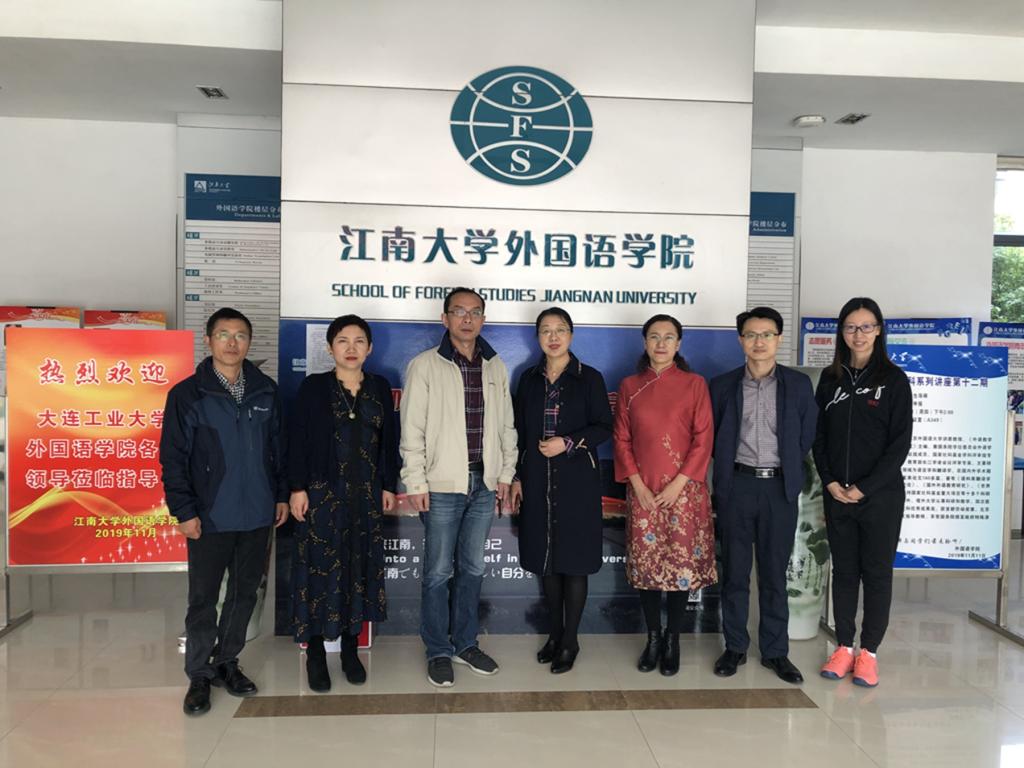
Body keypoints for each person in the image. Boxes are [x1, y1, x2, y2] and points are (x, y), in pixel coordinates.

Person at [160, 307, 289, 716]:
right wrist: (184, 510)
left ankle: (227, 661)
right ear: (208, 340)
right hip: (209, 515)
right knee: (203, 598)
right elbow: (173, 459)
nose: (232, 343)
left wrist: (280, 496)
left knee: (243, 594)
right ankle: (199, 673)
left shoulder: (266, 391)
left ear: (249, 342)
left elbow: (279, 452)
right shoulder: (187, 394)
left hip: (257, 514)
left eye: (240, 336)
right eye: (223, 335)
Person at [400, 287, 518, 687]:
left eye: (475, 312)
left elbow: (506, 426)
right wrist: (416, 480)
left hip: (484, 483)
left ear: (483, 318)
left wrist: (505, 475)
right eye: (459, 311)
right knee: (437, 571)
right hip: (441, 485)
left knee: (472, 568)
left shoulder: (495, 365)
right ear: (444, 318)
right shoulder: (424, 365)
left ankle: (465, 643)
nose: (467, 319)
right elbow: (412, 429)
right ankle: (438, 649)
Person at [288, 315, 399, 691]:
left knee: (357, 570)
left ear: (370, 348)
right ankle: (316, 654)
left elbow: (389, 441)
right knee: (318, 572)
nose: (351, 348)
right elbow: (297, 439)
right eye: (342, 341)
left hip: (365, 496)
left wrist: (387, 484)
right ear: (330, 347)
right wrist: (297, 488)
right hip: (322, 495)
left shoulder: (379, 387)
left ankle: (350, 650)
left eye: (359, 341)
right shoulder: (314, 387)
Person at [709, 307, 817, 684]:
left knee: (774, 573)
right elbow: (713, 437)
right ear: (741, 340)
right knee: (735, 572)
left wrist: (785, 468)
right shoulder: (722, 386)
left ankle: (775, 651)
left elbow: (806, 434)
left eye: (767, 334)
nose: (759, 342)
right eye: (751, 335)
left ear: (778, 339)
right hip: (737, 485)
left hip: (778, 488)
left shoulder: (798, 385)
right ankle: (735, 646)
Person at [813, 297, 912, 688]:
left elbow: (899, 445)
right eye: (851, 327)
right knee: (844, 571)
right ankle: (843, 647)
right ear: (842, 332)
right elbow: (819, 437)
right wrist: (830, 481)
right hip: (837, 494)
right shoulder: (830, 379)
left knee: (876, 573)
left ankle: (868, 652)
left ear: (878, 330)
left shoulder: (894, 380)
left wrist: (864, 488)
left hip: (880, 497)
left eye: (866, 326)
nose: (858, 334)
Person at [613, 314, 717, 676]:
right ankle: (653, 638)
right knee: (647, 567)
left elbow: (704, 438)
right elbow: (621, 438)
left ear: (679, 344)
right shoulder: (630, 385)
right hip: (642, 491)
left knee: (679, 567)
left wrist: (679, 484)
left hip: (684, 493)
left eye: (668, 337)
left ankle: (673, 639)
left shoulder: (694, 384)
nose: (661, 343)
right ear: (645, 343)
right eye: (654, 337)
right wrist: (638, 485)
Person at [510, 308, 613, 674]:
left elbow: (604, 426)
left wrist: (567, 443)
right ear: (538, 336)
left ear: (571, 334)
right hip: (537, 479)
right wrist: (517, 476)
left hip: (577, 481)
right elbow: (518, 432)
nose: (553, 337)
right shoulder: (528, 379)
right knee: (547, 562)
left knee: (574, 562)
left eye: (560, 330)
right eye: (546, 330)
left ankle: (570, 641)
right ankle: (554, 635)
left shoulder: (589, 378)